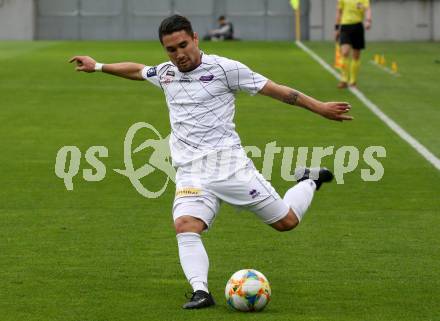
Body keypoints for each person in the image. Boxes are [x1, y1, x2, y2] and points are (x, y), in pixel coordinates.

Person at [69, 15, 352, 309]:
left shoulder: (225, 69)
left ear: (195, 39)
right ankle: (201, 291)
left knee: (287, 222)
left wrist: (320, 107)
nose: (179, 54)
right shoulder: (166, 73)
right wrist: (98, 66)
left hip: (230, 168)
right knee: (185, 225)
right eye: (170, 49)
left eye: (182, 45)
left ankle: (309, 179)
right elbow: (138, 70)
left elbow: (276, 90)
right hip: (191, 172)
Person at [335, 0, 372, 88]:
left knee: (356, 55)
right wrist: (337, 28)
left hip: (357, 26)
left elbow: (368, 9)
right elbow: (339, 12)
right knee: (345, 52)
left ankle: (353, 81)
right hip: (345, 26)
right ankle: (344, 79)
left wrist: (368, 20)